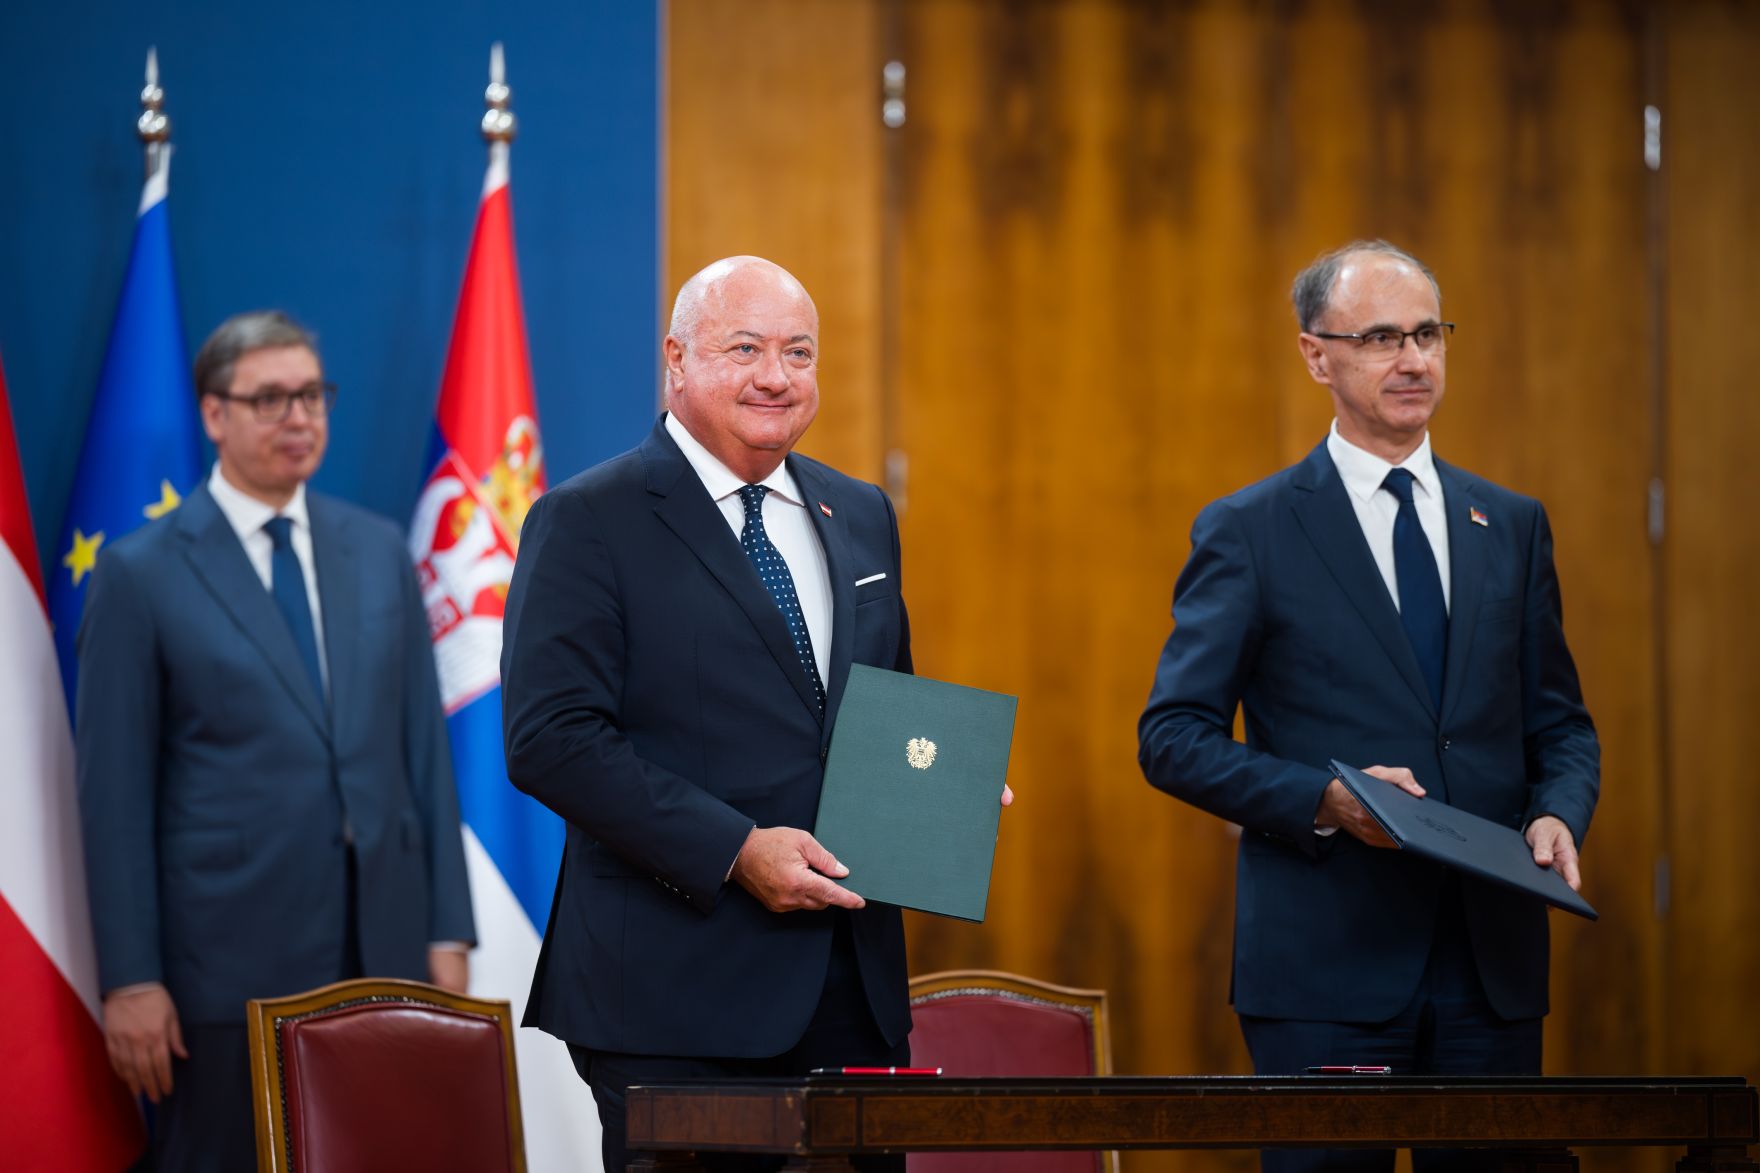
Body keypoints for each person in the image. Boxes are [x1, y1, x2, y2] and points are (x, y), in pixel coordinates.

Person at [502, 256, 1007, 1172]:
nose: (776, 375)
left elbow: (880, 706)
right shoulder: (588, 518)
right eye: (745, 349)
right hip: (672, 1002)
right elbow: (551, 740)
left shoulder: (860, 511)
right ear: (676, 360)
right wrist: (734, 848)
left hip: (853, 993)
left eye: (798, 352)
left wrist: (944, 789)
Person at [1138, 241, 1600, 1173]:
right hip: (1326, 969)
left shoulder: (1510, 524)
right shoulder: (1251, 529)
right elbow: (1172, 737)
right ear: (1317, 356)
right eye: (1382, 338)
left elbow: (1560, 724)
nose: (1414, 359)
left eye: (1428, 334)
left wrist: (1559, 810)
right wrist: (1324, 799)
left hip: (1491, 965)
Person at [76, 311, 476, 1173]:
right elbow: (113, 797)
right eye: (270, 399)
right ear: (214, 413)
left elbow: (423, 754)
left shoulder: (377, 549)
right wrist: (131, 977)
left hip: (383, 954)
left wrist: (449, 926)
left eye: (311, 395)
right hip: (221, 974)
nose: (298, 417)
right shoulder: (141, 571)